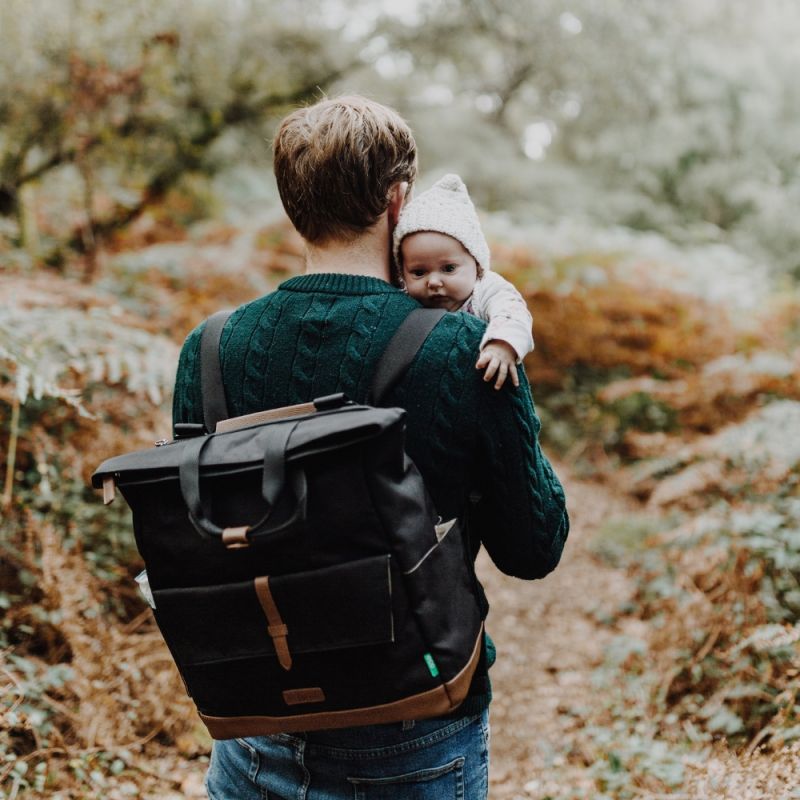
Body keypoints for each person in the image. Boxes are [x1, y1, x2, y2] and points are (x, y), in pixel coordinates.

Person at [171, 94, 569, 800]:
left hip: (257, 727)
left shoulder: (207, 350)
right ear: (399, 200)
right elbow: (533, 548)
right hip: (413, 727)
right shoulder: (462, 349)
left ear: (293, 204)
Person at [394, 173, 534, 390]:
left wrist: (501, 344)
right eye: (419, 272)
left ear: (476, 264)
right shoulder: (405, 300)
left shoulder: (486, 289)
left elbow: (513, 312)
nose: (433, 281)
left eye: (448, 269)